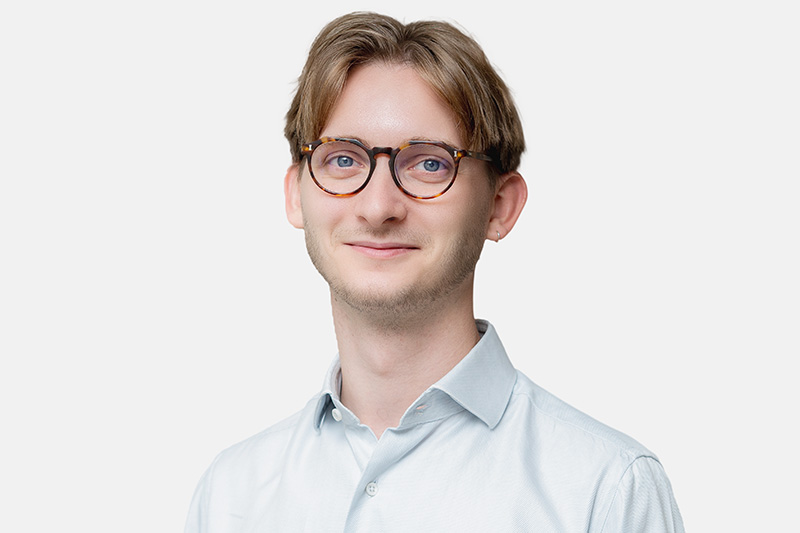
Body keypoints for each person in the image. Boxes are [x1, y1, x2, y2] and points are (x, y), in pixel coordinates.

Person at [185, 11, 684, 532]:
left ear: (499, 207)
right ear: (296, 196)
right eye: (343, 160)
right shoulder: (229, 496)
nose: (378, 207)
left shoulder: (606, 491)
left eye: (429, 164)